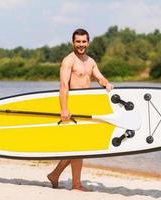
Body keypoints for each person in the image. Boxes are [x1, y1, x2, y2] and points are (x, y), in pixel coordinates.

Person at [47, 28, 113, 191]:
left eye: (84, 41)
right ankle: (68, 181)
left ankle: (62, 178)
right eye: (78, 41)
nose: (81, 44)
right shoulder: (68, 60)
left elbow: (99, 77)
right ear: (73, 42)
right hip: (72, 106)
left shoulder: (91, 61)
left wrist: (106, 83)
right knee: (78, 146)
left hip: (86, 106)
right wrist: (64, 108)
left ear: (88, 42)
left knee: (80, 147)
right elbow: (63, 85)